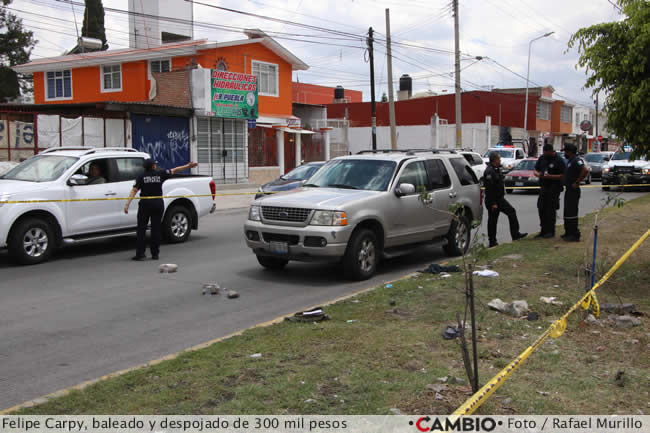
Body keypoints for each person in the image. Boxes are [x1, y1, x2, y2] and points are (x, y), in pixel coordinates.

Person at [124, 159, 198, 261]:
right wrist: (188, 166)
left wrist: (127, 204)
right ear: (153, 166)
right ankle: (155, 254)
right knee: (156, 229)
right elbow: (175, 170)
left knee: (141, 229)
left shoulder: (141, 176)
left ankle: (140, 254)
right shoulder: (160, 174)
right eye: (155, 164)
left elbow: (134, 190)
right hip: (158, 204)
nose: (156, 165)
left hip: (145, 204)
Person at [483, 152, 528, 248]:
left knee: (511, 212)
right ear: (494, 160)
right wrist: (493, 203)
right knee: (493, 220)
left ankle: (515, 234)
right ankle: (492, 241)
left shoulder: (496, 169)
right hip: (493, 200)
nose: (500, 161)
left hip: (500, 199)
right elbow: (489, 190)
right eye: (499, 159)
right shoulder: (489, 172)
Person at [534, 144, 566, 238]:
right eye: (543, 153)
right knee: (541, 207)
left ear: (551, 151)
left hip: (554, 187)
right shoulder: (542, 158)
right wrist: (538, 174)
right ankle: (543, 230)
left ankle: (550, 231)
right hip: (544, 186)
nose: (544, 154)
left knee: (550, 210)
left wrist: (550, 177)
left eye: (546, 153)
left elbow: (563, 175)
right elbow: (536, 169)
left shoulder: (558, 160)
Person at [562, 143, 589, 242]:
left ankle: (574, 234)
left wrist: (577, 182)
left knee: (572, 212)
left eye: (565, 151)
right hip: (568, 189)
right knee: (567, 212)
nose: (564, 153)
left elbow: (585, 170)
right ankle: (568, 232)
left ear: (570, 152)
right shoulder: (570, 161)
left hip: (573, 190)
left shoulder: (576, 160)